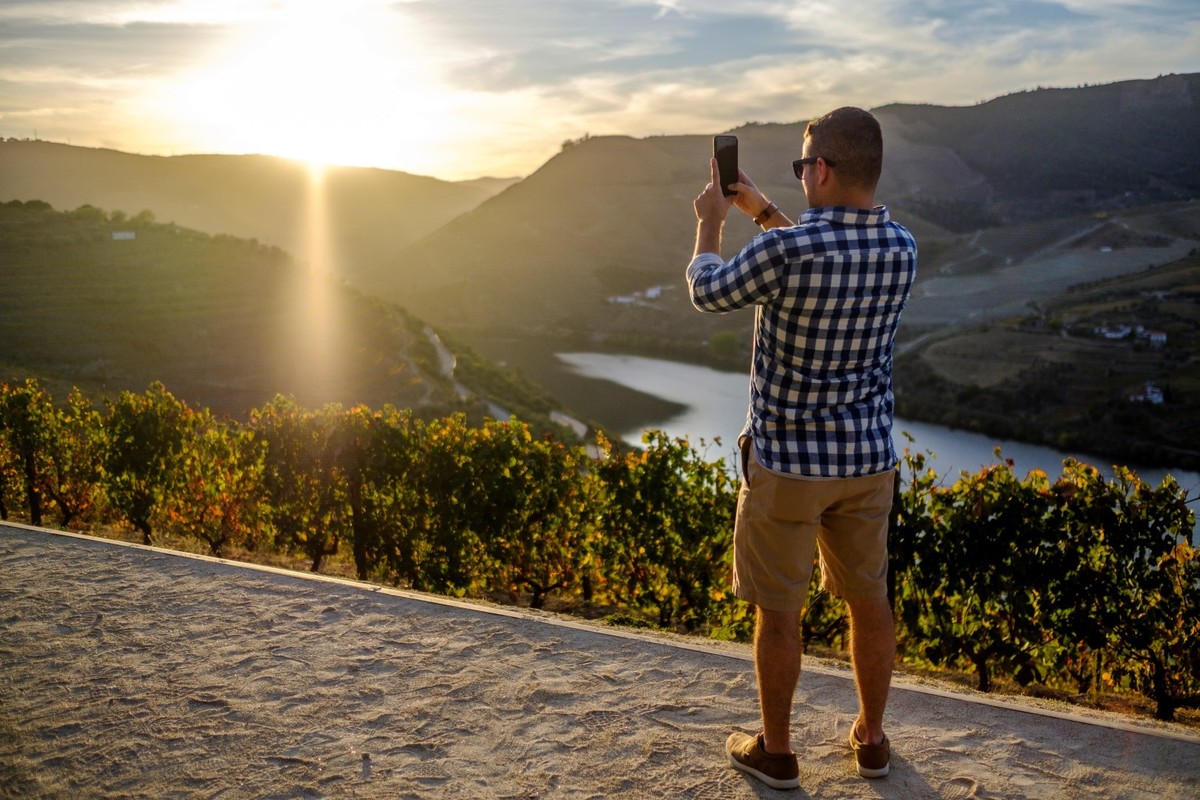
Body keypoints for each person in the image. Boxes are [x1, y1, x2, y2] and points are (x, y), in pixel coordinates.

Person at [686, 107, 917, 790]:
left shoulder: (787, 253)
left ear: (821, 169)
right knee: (868, 600)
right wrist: (767, 210)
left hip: (788, 464)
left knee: (779, 608)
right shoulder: (902, 246)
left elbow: (706, 289)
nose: (801, 173)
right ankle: (871, 740)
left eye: (803, 162)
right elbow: (826, 257)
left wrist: (713, 220)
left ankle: (779, 754)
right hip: (867, 463)